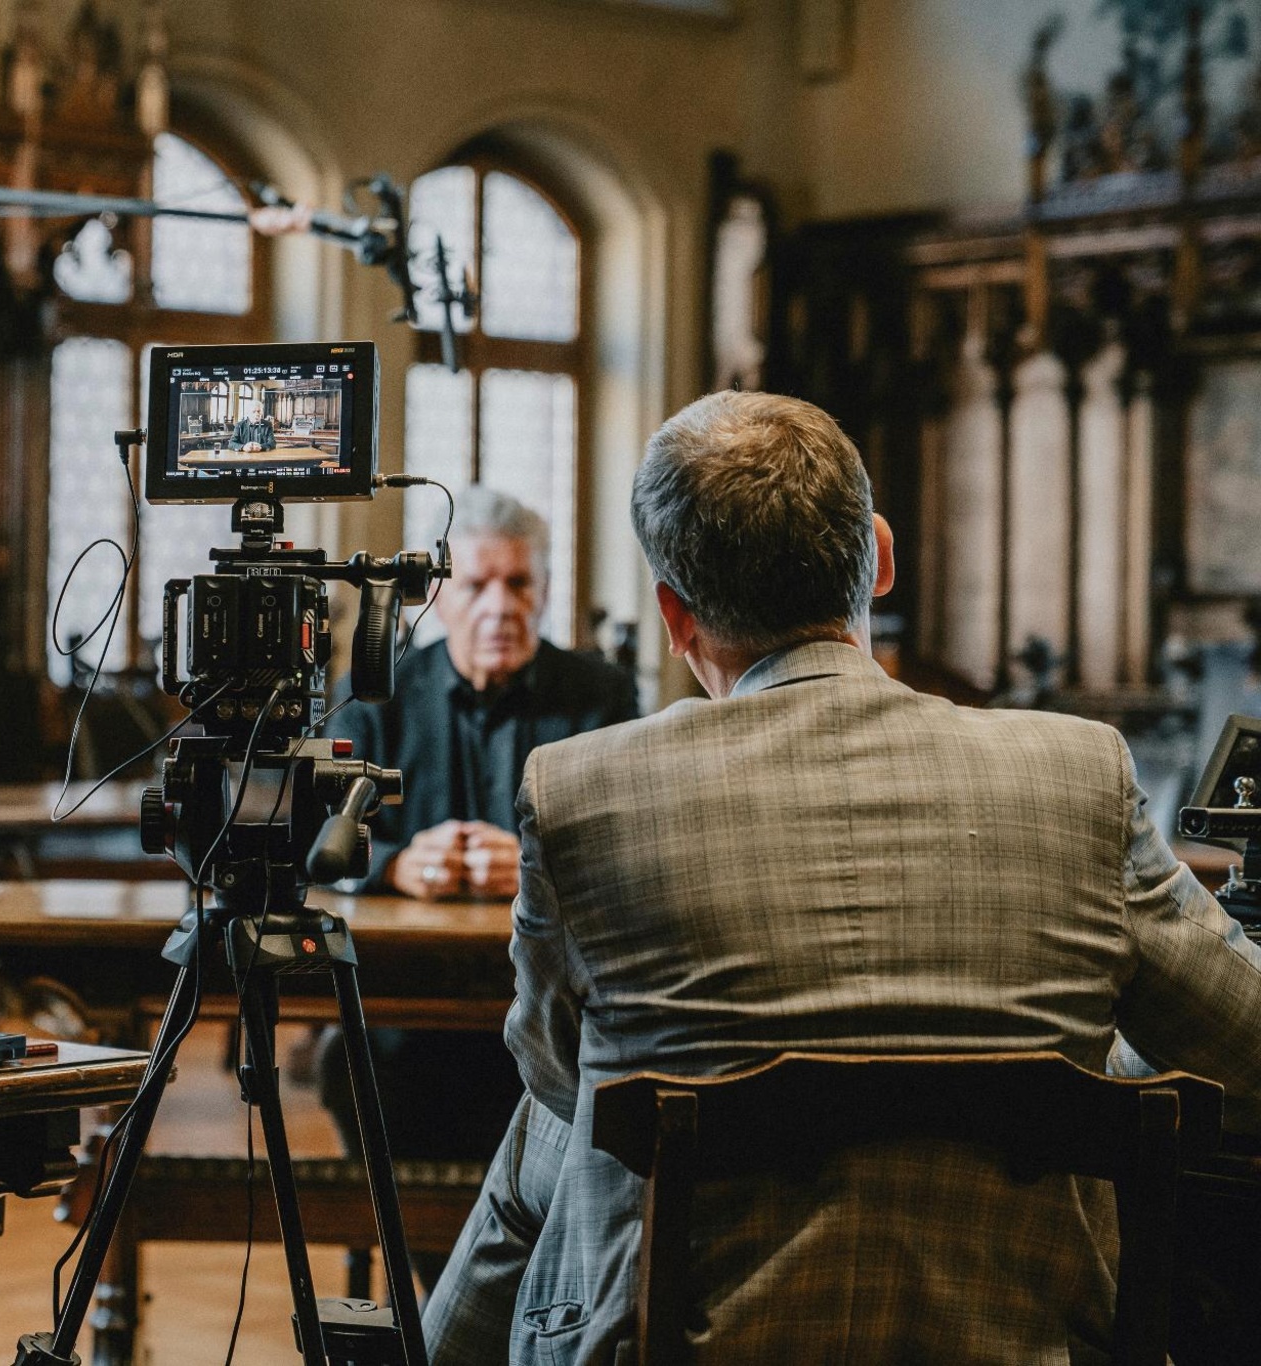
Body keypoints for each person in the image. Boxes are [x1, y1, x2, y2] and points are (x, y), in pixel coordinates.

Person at [424, 389, 1261, 1364]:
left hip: (680, 1342)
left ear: (672, 616)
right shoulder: (1075, 773)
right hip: (1015, 1341)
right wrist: (1079, 1059)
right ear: (879, 554)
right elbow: (1243, 1048)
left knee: (559, 1117)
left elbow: (563, 1076)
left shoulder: (578, 793)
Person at [322, 485, 636, 1287]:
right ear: (440, 595)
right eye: (477, 585)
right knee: (348, 1066)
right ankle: (447, 1284)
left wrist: (541, 866)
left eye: (520, 585)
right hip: (413, 1015)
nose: (501, 607)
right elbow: (311, 840)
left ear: (546, 591)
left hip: (550, 1016)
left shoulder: (599, 694)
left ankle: (519, 1288)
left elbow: (630, 842)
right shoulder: (377, 693)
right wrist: (394, 862)